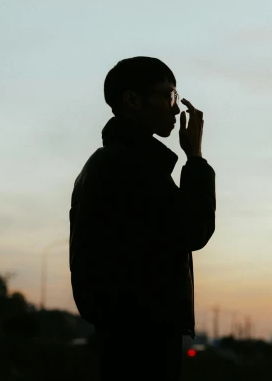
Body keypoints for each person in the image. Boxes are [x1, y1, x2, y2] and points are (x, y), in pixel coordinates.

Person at [69, 56, 216, 380]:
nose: (176, 109)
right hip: (143, 340)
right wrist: (195, 159)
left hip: (123, 334)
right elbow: (194, 230)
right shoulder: (133, 167)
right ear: (132, 100)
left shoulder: (107, 163)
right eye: (168, 96)